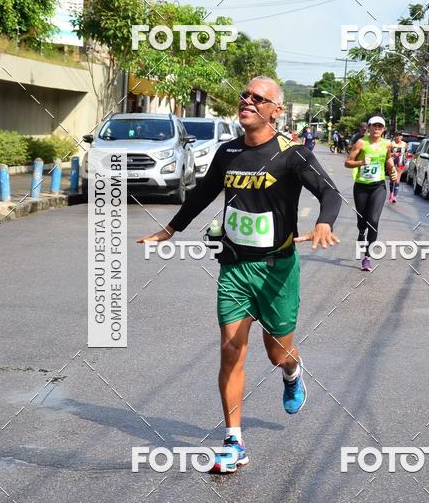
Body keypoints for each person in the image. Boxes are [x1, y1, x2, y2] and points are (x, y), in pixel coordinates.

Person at [138, 77, 342, 472]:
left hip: (276, 270)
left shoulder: (292, 154)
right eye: (244, 96)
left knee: (276, 353)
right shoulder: (228, 151)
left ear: (275, 110)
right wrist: (170, 230)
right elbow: (201, 194)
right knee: (231, 350)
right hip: (234, 267)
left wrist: (324, 222)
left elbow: (330, 193)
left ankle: (293, 371)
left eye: (257, 98)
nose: (247, 101)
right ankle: (234, 441)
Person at [345, 115, 397, 272]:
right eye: (374, 126)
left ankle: (367, 257)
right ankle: (361, 231)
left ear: (383, 130)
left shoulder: (387, 144)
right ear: (369, 128)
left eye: (380, 127)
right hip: (361, 186)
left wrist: (392, 171)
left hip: (378, 186)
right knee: (362, 221)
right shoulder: (361, 142)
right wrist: (361, 162)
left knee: (373, 220)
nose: (377, 129)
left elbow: (388, 160)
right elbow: (347, 162)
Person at [388, 131, 408, 203]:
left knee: (397, 179)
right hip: (392, 163)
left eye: (399, 136)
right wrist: (393, 154)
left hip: (400, 163)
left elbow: (406, 153)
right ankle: (391, 193)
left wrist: (405, 160)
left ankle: (394, 197)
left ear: (402, 137)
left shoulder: (405, 144)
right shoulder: (391, 144)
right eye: (396, 135)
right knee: (392, 178)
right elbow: (387, 154)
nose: (398, 137)